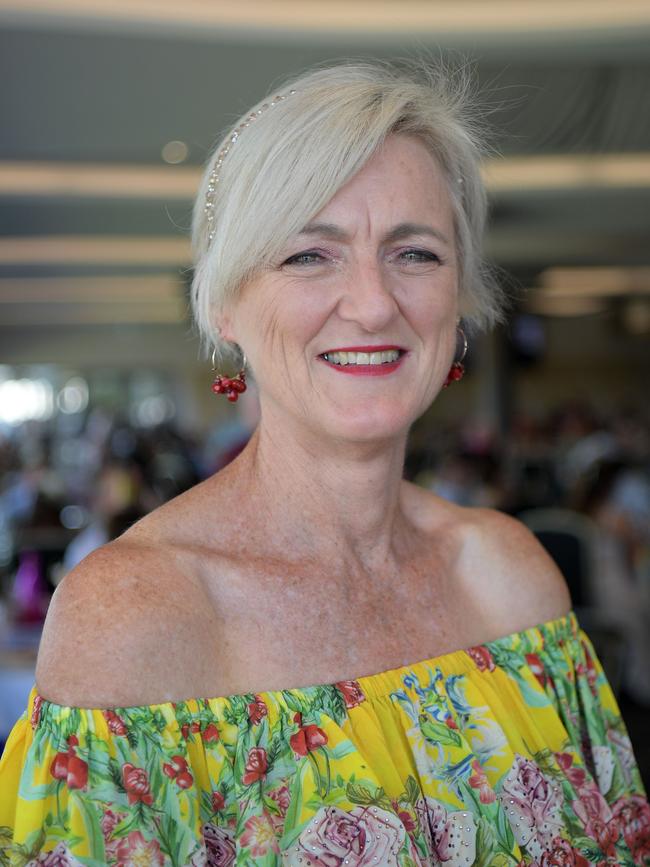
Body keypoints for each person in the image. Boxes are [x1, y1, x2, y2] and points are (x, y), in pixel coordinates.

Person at [1, 60, 648, 866]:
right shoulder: (134, 615)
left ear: (459, 298)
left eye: (415, 253)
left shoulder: (511, 575)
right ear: (227, 302)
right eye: (311, 255)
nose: (374, 302)